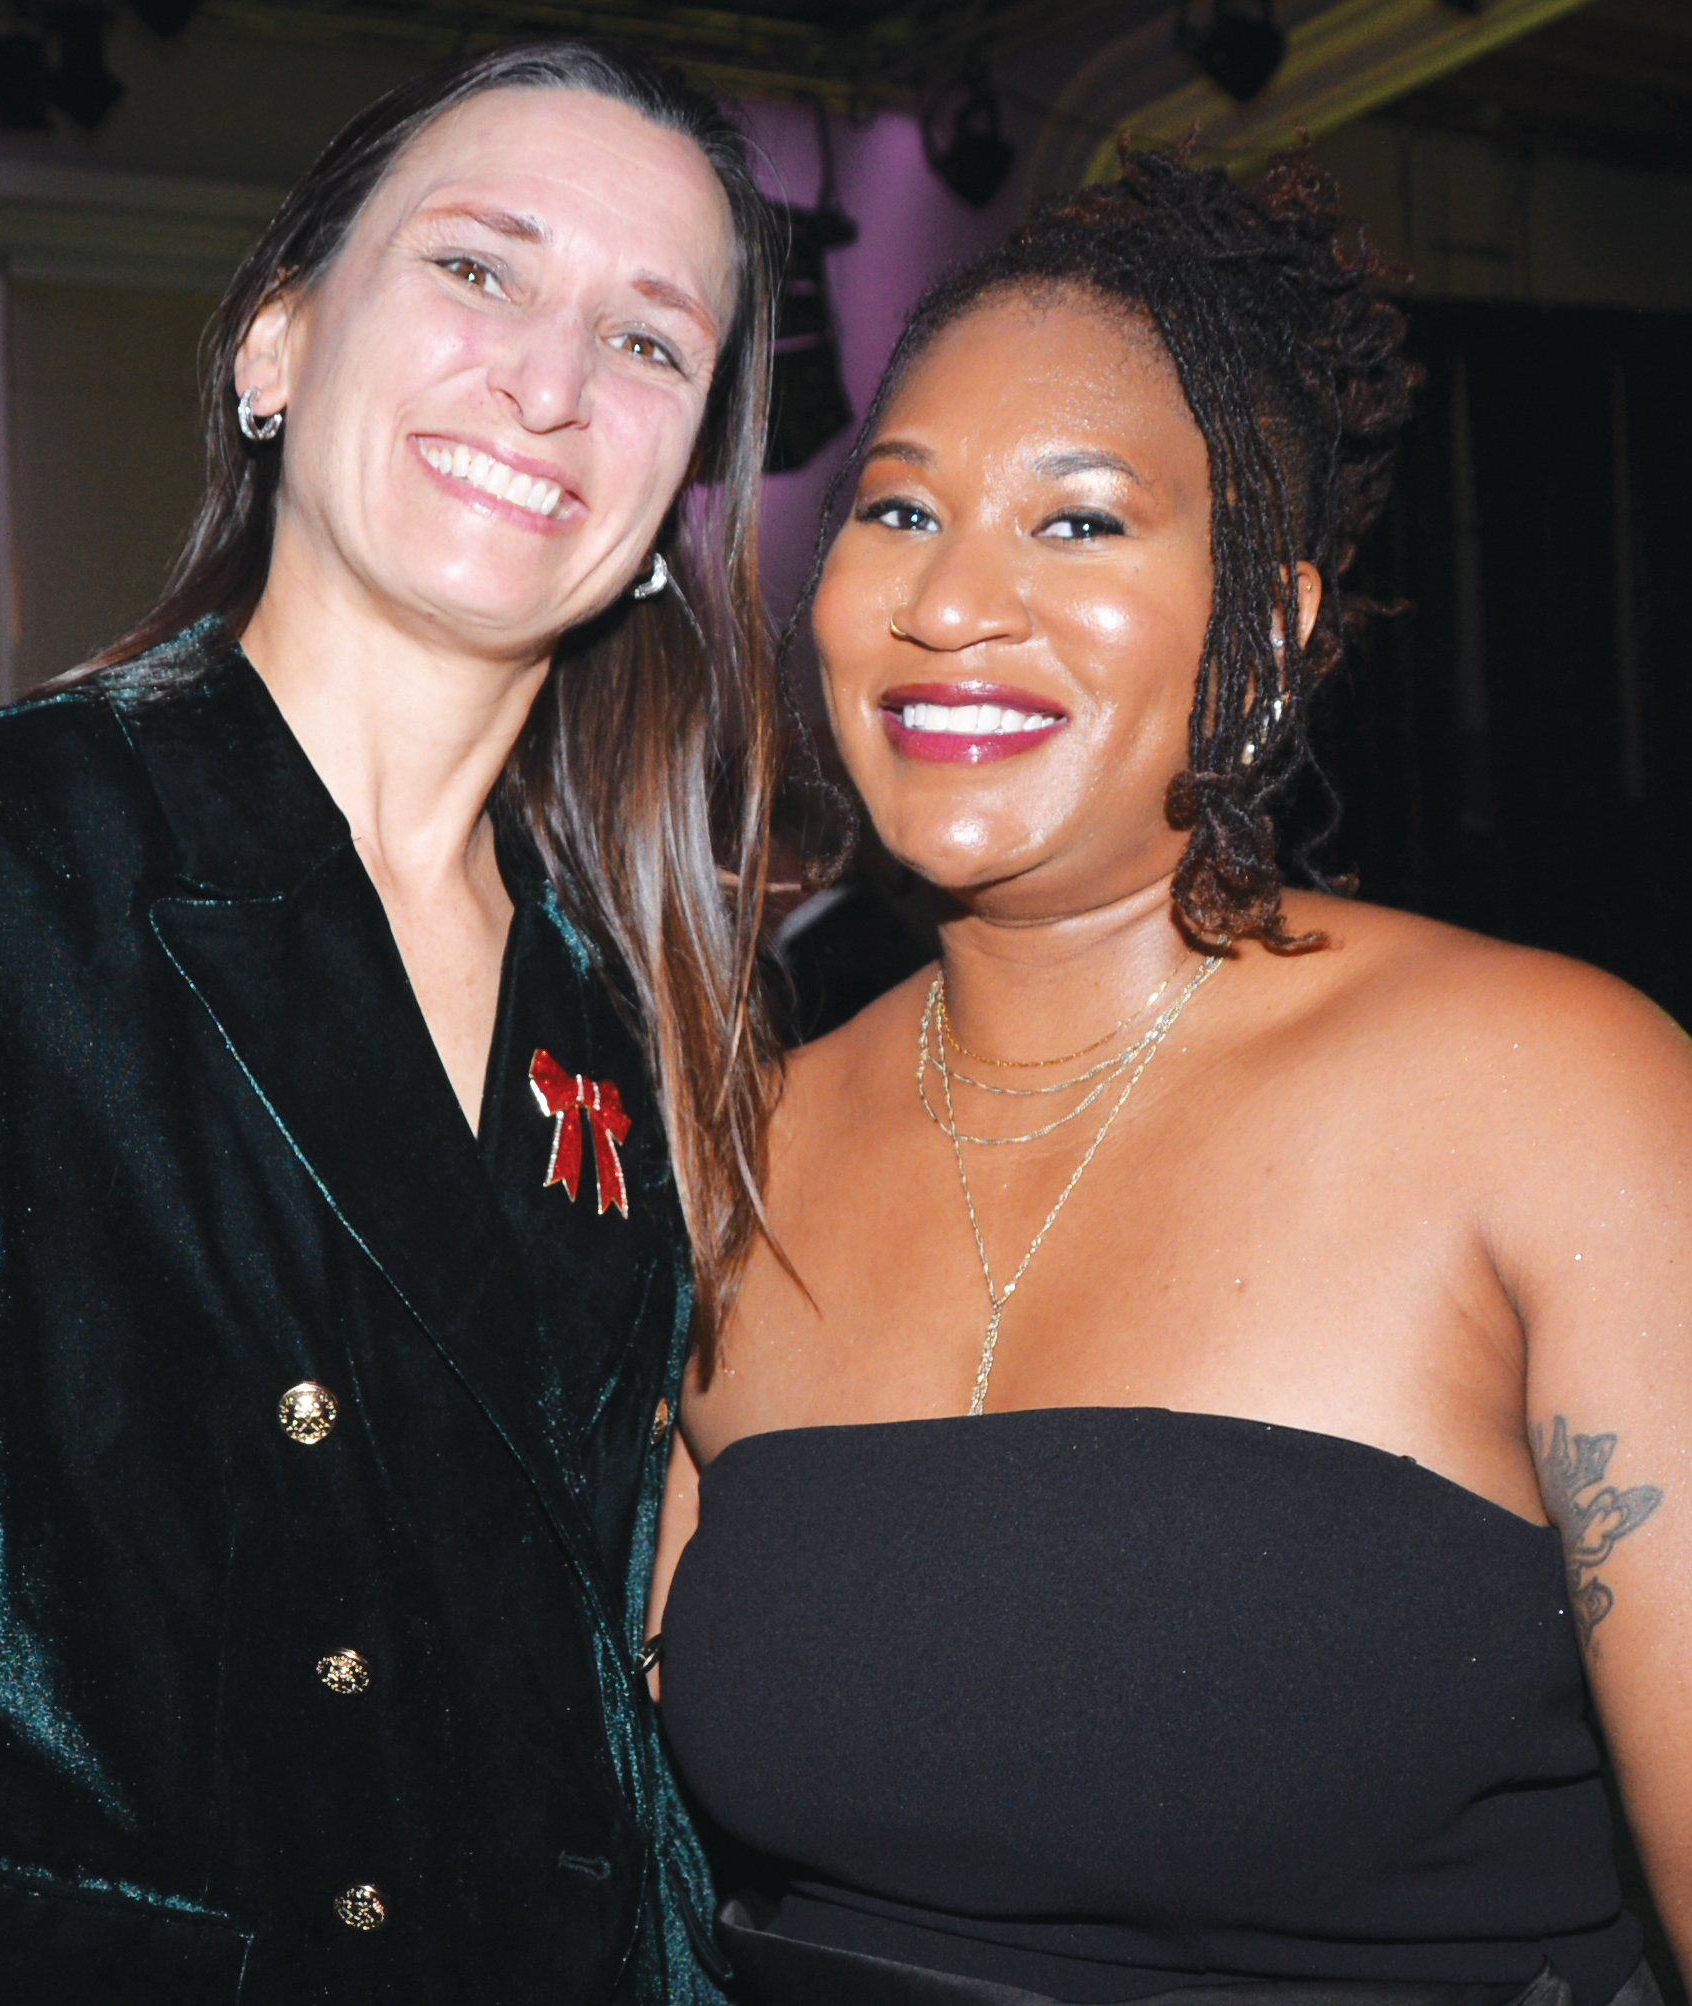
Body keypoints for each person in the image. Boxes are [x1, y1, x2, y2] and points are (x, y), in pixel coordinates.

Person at [650, 148, 1692, 2006]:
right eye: (899, 511)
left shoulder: (1556, 1095)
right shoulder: (740, 1150)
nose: (952, 600)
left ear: (1266, 631)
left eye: (1078, 523)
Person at [0, 41, 781, 2003]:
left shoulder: (641, 1014)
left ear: (680, 488)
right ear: (276, 340)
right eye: (478, 268)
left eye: (648, 341)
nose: (552, 382)